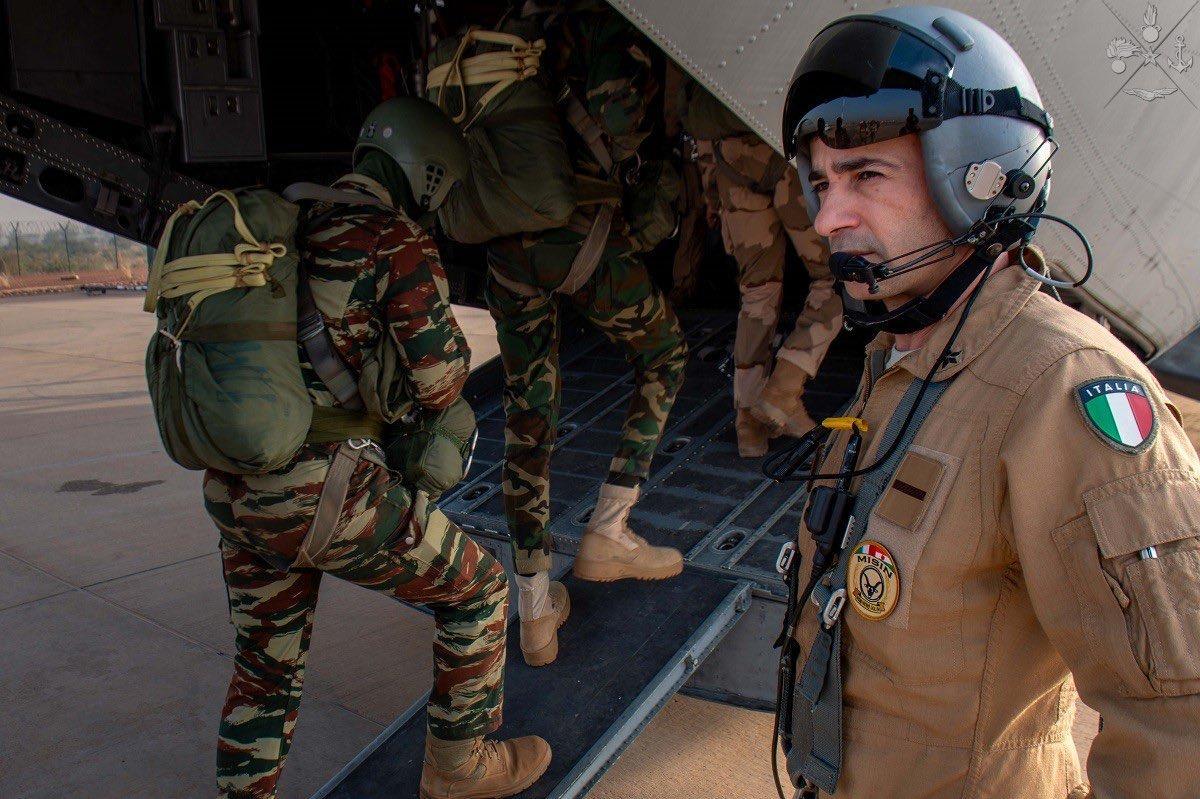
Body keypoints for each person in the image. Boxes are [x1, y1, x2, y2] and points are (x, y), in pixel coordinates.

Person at [775, 7, 1200, 798]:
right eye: (823, 183)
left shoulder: (1059, 389)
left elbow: (1180, 723)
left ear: (980, 179)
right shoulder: (904, 353)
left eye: (867, 176)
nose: (829, 217)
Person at [203, 97, 550, 799]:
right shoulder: (392, 238)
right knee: (479, 592)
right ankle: (458, 766)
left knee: (266, 671)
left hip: (238, 488)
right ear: (427, 174)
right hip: (324, 493)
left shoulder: (290, 222)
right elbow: (441, 379)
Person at [485, 1, 688, 668]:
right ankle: (608, 532)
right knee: (664, 354)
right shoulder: (601, 23)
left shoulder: (513, 27)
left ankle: (535, 611)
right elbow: (620, 127)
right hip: (580, 234)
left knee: (528, 417)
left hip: (505, 244)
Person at [681, 82, 843, 457]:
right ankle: (782, 393)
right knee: (836, 278)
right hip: (783, 153)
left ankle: (748, 425)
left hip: (730, 161)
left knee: (757, 292)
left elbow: (692, 116)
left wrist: (710, 190)